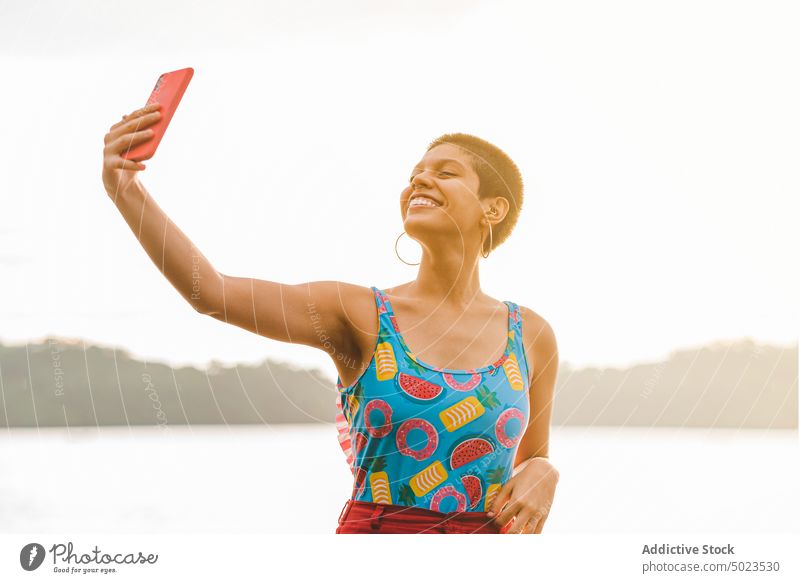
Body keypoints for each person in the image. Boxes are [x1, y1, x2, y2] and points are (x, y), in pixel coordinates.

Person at [101, 102, 560, 534]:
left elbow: (529, 463)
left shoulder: (531, 335)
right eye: (414, 174)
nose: (419, 182)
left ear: (492, 208)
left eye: (445, 173)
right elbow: (213, 293)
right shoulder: (358, 313)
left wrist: (545, 469)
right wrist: (126, 187)